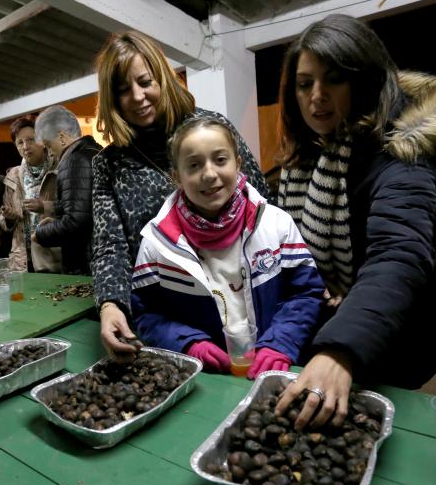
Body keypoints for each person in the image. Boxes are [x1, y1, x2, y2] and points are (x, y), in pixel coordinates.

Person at [273, 14, 436, 430]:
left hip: (389, 343)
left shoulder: (402, 150)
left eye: (334, 79)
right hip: (333, 326)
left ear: (362, 79)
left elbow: (398, 253)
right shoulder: (307, 154)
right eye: (304, 83)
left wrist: (339, 350)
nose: (317, 96)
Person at [91, 30, 270, 358]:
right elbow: (110, 247)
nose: (137, 96)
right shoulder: (109, 164)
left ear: (162, 76)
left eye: (145, 81)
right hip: (170, 317)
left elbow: (262, 204)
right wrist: (110, 304)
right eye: (122, 90)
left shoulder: (210, 127)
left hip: (243, 301)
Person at [131, 116, 324, 373]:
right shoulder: (157, 244)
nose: (209, 174)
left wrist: (281, 342)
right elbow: (147, 314)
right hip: (207, 380)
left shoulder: (275, 224)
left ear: (238, 164)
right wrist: (188, 344)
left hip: (274, 368)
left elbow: (306, 293)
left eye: (220, 160)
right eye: (194, 165)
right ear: (177, 177)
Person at [33, 105, 100, 275]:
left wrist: (41, 234)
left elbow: (76, 223)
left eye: (48, 146)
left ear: (62, 137)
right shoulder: (95, 152)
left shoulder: (73, 160)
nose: (50, 153)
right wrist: (56, 212)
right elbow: (88, 207)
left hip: (87, 264)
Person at [0, 115, 61, 272]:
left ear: (43, 140)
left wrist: (44, 207)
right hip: (22, 258)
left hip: (54, 253)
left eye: (31, 139)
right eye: (20, 142)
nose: (25, 146)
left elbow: (73, 209)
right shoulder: (13, 175)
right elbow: (4, 218)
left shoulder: (59, 168)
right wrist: (8, 217)